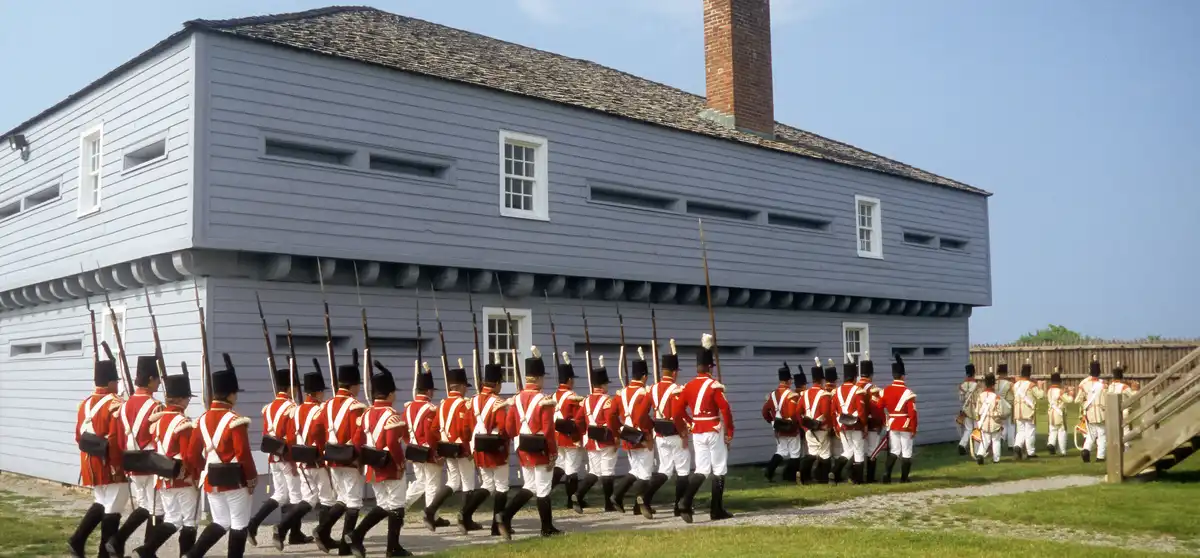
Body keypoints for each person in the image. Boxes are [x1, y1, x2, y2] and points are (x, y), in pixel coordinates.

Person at [186, 357, 258, 557]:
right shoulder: (235, 421)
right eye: (235, 394)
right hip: (235, 481)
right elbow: (243, 454)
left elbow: (192, 454)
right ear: (230, 395)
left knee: (220, 522)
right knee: (239, 523)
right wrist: (251, 478)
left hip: (211, 480)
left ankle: (193, 554)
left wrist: (207, 468)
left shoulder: (200, 420)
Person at [133, 366, 204, 558]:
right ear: (181, 399)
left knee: (172, 519)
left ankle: (146, 549)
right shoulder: (183, 423)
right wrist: (196, 476)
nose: (189, 401)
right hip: (183, 478)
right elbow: (189, 456)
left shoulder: (158, 422)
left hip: (163, 478)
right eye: (188, 397)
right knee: (190, 521)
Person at [345, 361, 413, 558]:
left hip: (372, 465)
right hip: (390, 466)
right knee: (397, 505)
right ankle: (393, 548)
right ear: (390, 394)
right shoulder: (392, 415)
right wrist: (400, 463)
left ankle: (357, 534)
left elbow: (357, 440)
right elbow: (393, 443)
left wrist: (359, 460)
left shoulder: (366, 413)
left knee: (384, 504)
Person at [105, 356, 164, 558]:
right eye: (157, 379)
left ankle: (118, 540)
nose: (159, 383)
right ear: (150, 379)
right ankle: (147, 550)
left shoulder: (124, 405)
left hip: (131, 461)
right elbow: (158, 438)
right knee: (157, 509)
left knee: (145, 507)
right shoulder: (156, 406)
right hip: (150, 463)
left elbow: (119, 438)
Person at [68, 358, 127, 558]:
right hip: (109, 463)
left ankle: (78, 539)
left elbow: (79, 436)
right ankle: (104, 554)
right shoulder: (115, 403)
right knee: (114, 509)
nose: (117, 384)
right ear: (111, 382)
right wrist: (118, 467)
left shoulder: (84, 404)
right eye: (116, 381)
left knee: (102, 502)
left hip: (89, 463)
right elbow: (116, 438)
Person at [500, 346, 561, 539]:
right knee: (543, 488)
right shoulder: (544, 400)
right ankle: (546, 528)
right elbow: (549, 431)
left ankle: (504, 515)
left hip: (522, 446)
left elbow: (509, 429)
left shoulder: (516, 399)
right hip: (540, 447)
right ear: (540, 378)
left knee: (531, 486)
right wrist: (552, 452)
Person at [273, 370, 336, 551]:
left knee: (308, 499)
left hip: (301, 460)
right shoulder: (320, 410)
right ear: (317, 392)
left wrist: (293, 458)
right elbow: (322, 435)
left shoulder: (297, 409)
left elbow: (291, 437)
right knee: (327, 500)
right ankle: (324, 536)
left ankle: (282, 527)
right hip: (317, 460)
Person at [676, 334, 734, 524]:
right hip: (714, 430)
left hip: (698, 430)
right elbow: (725, 409)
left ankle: (685, 501)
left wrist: (689, 422)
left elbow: (677, 410)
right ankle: (716, 510)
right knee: (719, 468)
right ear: (710, 366)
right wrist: (730, 432)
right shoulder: (714, 386)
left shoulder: (688, 386)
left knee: (701, 469)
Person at [246, 367, 306, 547]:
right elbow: (292, 437)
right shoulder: (292, 408)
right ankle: (294, 534)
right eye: (294, 387)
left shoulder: (269, 407)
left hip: (273, 457)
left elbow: (267, 434)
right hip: (287, 458)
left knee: (280, 494)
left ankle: (253, 524)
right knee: (296, 497)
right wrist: (293, 461)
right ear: (289, 387)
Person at [312, 362, 368, 554]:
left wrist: (323, 450)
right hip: (350, 458)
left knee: (343, 499)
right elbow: (358, 436)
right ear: (354, 385)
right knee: (354, 502)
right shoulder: (355, 406)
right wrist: (359, 459)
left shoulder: (326, 405)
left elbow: (316, 429)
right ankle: (345, 546)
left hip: (332, 457)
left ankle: (321, 530)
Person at [437, 364, 487, 534]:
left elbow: (434, 428)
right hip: (461, 448)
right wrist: (469, 449)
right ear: (459, 386)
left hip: (446, 447)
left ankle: (430, 510)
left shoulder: (442, 403)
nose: (466, 390)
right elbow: (465, 430)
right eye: (465, 386)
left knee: (453, 481)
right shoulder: (464, 405)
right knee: (467, 483)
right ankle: (466, 519)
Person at [644, 340, 691, 516]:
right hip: (675, 433)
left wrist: (652, 427)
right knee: (683, 471)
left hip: (659, 434)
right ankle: (679, 507)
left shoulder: (652, 389)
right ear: (674, 372)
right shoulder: (677, 389)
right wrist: (684, 432)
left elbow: (642, 415)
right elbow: (678, 414)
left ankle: (646, 497)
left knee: (665, 470)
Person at [401, 364, 444, 532]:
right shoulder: (431, 409)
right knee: (433, 485)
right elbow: (430, 435)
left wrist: (410, 443)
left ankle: (402, 506)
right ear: (428, 391)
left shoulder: (408, 408)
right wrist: (436, 454)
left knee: (421, 482)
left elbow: (403, 430)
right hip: (428, 452)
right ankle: (430, 515)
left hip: (414, 449)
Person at [612, 348, 655, 518]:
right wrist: (646, 437)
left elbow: (611, 415)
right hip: (641, 435)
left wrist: (620, 429)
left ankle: (617, 495)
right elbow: (642, 416)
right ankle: (640, 501)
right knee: (645, 473)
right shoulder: (645, 393)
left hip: (627, 435)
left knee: (636, 470)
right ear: (644, 377)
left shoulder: (621, 393)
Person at [471, 361, 511, 537]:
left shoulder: (473, 400)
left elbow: (468, 426)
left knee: (487, 484)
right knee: (501, 487)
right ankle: (496, 526)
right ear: (496, 383)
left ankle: (465, 513)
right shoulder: (498, 402)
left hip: (478, 447)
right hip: (496, 448)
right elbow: (503, 428)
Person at [576, 356, 620, 513]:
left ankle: (578, 495)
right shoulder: (608, 400)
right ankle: (608, 504)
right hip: (606, 438)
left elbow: (579, 419)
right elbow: (611, 419)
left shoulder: (586, 400)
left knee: (594, 471)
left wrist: (583, 433)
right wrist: (616, 436)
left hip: (591, 439)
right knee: (607, 471)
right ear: (603, 384)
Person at [550, 353, 586, 512]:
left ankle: (544, 493)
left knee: (560, 466)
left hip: (557, 436)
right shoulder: (572, 397)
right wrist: (579, 437)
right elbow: (578, 420)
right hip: (570, 437)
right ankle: (572, 501)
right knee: (572, 469)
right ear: (569, 380)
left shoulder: (552, 395)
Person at [761, 362, 801, 483]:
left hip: (778, 428)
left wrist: (772, 422)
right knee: (795, 453)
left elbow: (764, 411)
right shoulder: (792, 395)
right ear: (788, 380)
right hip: (791, 428)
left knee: (781, 451)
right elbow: (793, 414)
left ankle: (769, 470)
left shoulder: (772, 395)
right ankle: (790, 476)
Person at [880, 354, 918, 483]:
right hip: (905, 424)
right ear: (903, 376)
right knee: (906, 451)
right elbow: (912, 413)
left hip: (892, 424)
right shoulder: (908, 392)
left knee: (895, 450)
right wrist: (913, 428)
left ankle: (886, 475)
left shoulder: (885, 391)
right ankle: (904, 478)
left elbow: (880, 406)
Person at [799, 358, 833, 485]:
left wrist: (804, 426)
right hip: (821, 427)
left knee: (812, 452)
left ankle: (803, 474)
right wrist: (828, 425)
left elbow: (798, 412)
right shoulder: (824, 394)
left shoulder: (805, 394)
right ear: (822, 380)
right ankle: (822, 478)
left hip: (809, 426)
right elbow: (826, 413)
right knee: (825, 453)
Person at [834, 356, 867, 484]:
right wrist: (864, 425)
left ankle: (834, 471)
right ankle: (857, 479)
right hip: (856, 425)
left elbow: (834, 411)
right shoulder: (858, 391)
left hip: (842, 425)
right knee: (858, 452)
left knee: (847, 451)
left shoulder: (836, 391)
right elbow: (861, 412)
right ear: (854, 377)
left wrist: (836, 426)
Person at [856, 353, 886, 483]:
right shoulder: (873, 389)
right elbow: (877, 409)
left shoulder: (854, 387)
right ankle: (869, 477)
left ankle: (856, 475)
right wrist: (880, 423)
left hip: (857, 424)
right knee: (872, 450)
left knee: (858, 450)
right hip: (872, 423)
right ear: (871, 375)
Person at [1074, 356, 1108, 462]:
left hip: (1089, 413)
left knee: (1091, 434)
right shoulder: (1104, 385)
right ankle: (1100, 457)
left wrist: (1085, 404)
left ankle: (1086, 450)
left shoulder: (1084, 385)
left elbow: (1077, 399)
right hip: (1101, 413)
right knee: (1102, 435)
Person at [1010, 360, 1045, 460]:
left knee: (1020, 431)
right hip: (1028, 411)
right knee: (1030, 431)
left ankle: (1017, 446)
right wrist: (1039, 385)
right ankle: (1031, 452)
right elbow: (1040, 395)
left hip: (1018, 411)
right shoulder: (1031, 385)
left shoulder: (1016, 385)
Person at [974, 373, 1009, 465]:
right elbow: (1000, 412)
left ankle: (980, 454)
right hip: (994, 422)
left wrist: (979, 421)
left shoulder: (981, 396)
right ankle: (996, 459)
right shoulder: (996, 397)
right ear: (994, 384)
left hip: (984, 421)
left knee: (985, 440)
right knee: (996, 440)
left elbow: (977, 410)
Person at [790, 366, 811, 485]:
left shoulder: (794, 395)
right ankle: (803, 474)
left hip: (798, 426)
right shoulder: (803, 395)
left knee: (801, 452)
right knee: (807, 452)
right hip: (804, 425)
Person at [1044, 368, 1071, 455]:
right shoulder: (1060, 391)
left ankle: (1051, 443)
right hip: (1059, 413)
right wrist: (1071, 393)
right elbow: (1068, 400)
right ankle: (1062, 450)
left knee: (1053, 430)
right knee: (1062, 431)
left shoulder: (1049, 391)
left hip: (1051, 413)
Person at [957, 364, 980, 456]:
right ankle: (977, 450)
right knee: (977, 429)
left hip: (966, 410)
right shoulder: (976, 385)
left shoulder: (962, 385)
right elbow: (979, 399)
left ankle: (962, 444)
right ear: (974, 372)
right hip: (975, 410)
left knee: (968, 429)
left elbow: (961, 399)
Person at [996, 363, 1015, 450]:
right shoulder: (1009, 384)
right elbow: (1015, 392)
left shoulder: (995, 383)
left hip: (997, 406)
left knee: (1002, 425)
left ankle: (1001, 437)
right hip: (1007, 406)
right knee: (1011, 425)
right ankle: (1011, 444)